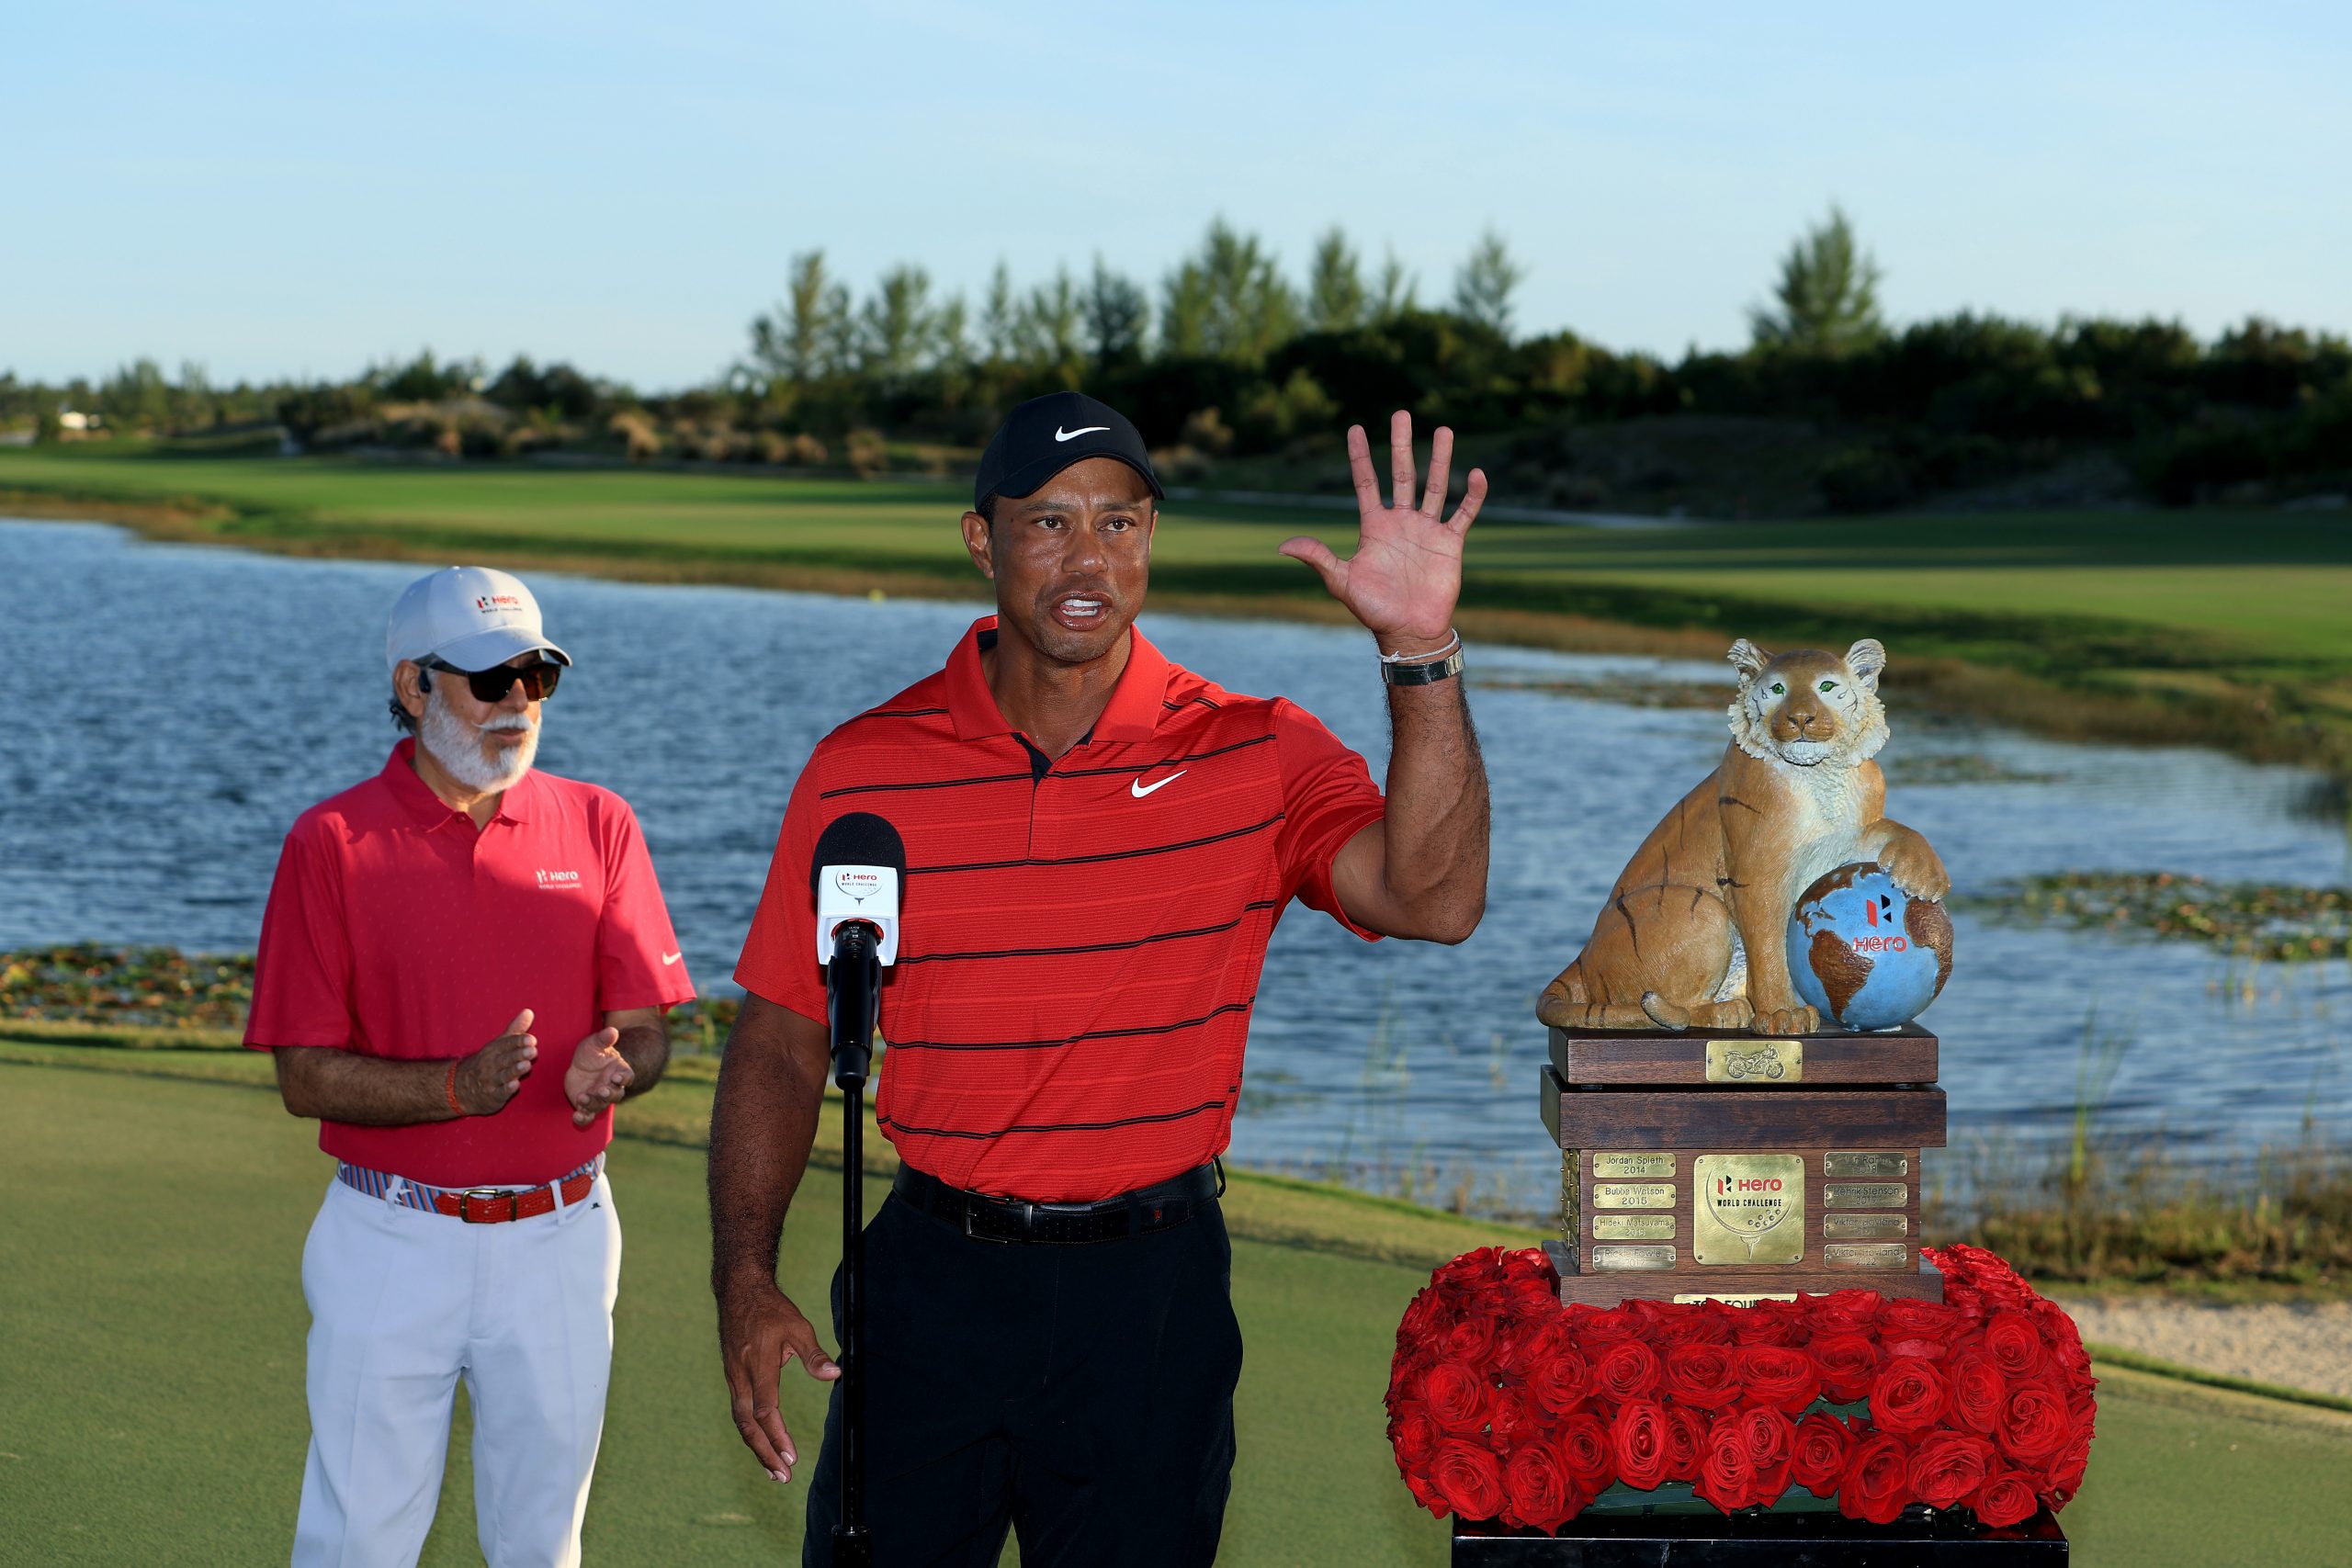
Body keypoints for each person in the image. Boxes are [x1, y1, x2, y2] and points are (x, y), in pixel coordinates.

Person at [708, 391, 1492, 1566]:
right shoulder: (863, 770)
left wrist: (1417, 652)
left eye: (1120, 524)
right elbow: (777, 1040)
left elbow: (1435, 899)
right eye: (1051, 524)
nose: (1091, 560)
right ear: (983, 540)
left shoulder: (1255, 748)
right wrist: (744, 1277)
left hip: (1150, 1296)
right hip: (932, 1283)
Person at [245, 566, 696, 1568]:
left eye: (537, 678)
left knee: (544, 1545)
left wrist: (618, 1067)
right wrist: (456, 1087)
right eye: (491, 682)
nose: (518, 705)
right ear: (413, 687)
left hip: (564, 1240)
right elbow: (304, 1075)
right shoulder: (331, 842)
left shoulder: (601, 823)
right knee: (358, 1541)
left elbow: (648, 1027)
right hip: (389, 1240)